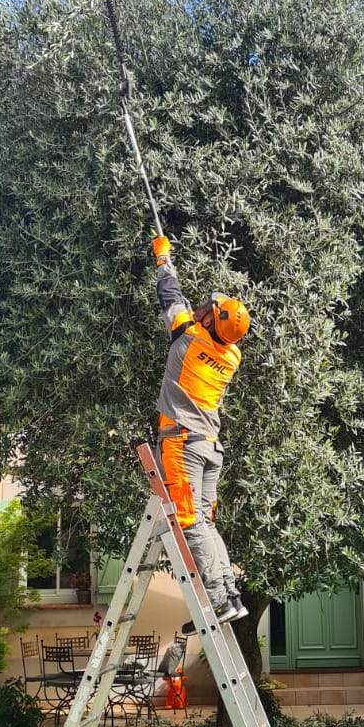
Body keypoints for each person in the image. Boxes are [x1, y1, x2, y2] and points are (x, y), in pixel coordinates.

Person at [152, 233, 250, 630]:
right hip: (209, 446)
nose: (204, 307)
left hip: (183, 443)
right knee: (206, 524)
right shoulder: (231, 353)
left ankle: (217, 599)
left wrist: (163, 257)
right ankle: (229, 594)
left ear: (209, 320)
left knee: (191, 522)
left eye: (210, 308)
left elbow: (169, 293)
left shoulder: (189, 338)